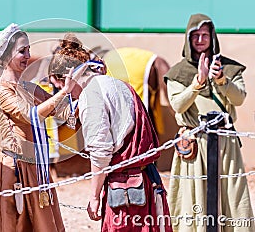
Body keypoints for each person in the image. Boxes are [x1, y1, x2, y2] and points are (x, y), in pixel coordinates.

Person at [48, 33, 172, 231]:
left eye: (61, 87)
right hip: (146, 181)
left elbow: (101, 153)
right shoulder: (117, 83)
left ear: (68, 78)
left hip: (127, 192)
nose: (65, 94)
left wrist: (94, 196)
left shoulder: (91, 96)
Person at [0, 24, 81, 232]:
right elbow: (30, 115)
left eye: (28, 49)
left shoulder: (30, 87)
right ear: (7, 55)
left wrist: (80, 92)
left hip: (38, 168)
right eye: (21, 51)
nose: (28, 55)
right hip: (15, 169)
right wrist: (63, 93)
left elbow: (65, 114)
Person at [164, 13, 254, 231]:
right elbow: (178, 105)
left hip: (225, 143)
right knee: (193, 197)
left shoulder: (230, 68)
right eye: (195, 35)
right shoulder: (178, 73)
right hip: (194, 144)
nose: (200, 40)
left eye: (205, 35)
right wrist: (198, 82)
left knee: (230, 193)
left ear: (212, 37)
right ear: (188, 38)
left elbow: (239, 98)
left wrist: (222, 79)